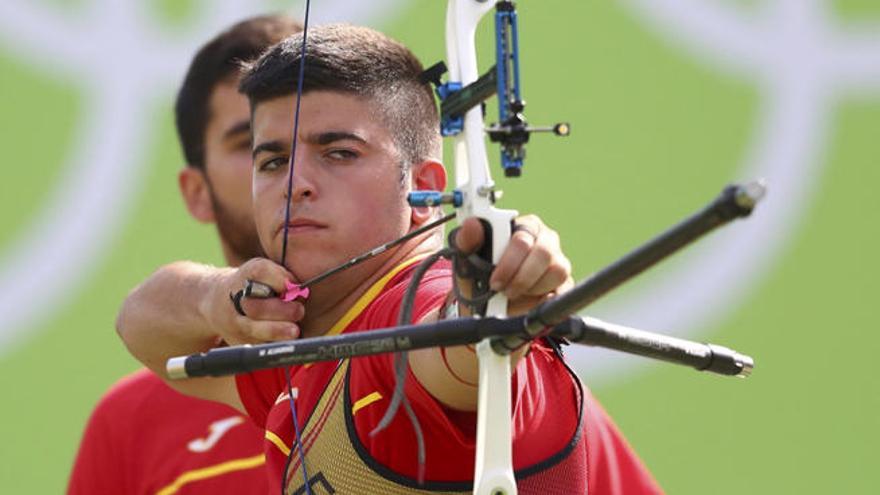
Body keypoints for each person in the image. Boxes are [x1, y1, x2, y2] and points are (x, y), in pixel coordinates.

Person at [117, 24, 663, 494]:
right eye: (272, 161)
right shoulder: (309, 343)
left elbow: (456, 350)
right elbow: (140, 322)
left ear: (424, 189)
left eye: (339, 153)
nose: (294, 183)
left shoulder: (413, 311)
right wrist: (217, 298)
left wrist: (498, 300)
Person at [67, 15, 302, 494]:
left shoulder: (426, 350)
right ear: (197, 192)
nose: (296, 171)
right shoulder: (129, 419)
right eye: (253, 145)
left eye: (330, 143)